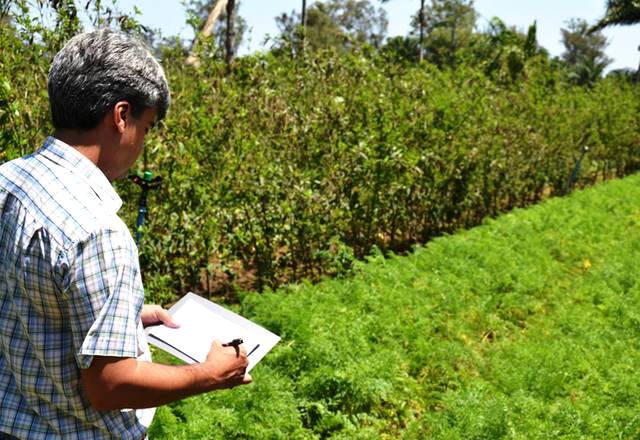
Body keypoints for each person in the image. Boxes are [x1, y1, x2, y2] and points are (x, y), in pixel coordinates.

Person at [0, 28, 251, 439]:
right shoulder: (98, 231)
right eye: (147, 127)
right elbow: (110, 386)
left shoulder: (9, 180)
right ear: (121, 116)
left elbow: (30, 301)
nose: (142, 145)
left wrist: (125, 318)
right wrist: (208, 374)